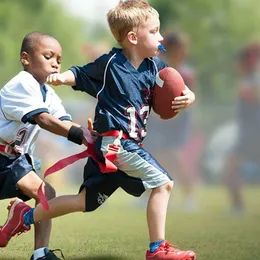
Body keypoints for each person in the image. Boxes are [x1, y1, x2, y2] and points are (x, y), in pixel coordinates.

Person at [0, 2, 196, 260]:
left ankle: (23, 218)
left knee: (84, 202)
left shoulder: (155, 67)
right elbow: (80, 74)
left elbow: (179, 88)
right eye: (155, 31)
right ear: (133, 37)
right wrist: (63, 78)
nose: (160, 38)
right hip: (117, 145)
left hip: (118, 149)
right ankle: (157, 249)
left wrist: (188, 97)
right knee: (164, 183)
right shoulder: (111, 64)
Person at [0, 32, 92, 260]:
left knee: (46, 194)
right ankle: (17, 218)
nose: (55, 63)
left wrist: (90, 134)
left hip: (13, 159)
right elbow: (43, 119)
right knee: (45, 193)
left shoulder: (47, 93)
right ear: (25, 58)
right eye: (48, 56)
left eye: (59, 60)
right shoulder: (22, 83)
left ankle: (40, 253)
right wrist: (80, 135)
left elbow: (63, 120)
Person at [144, 31, 199, 212]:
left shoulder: (186, 73)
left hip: (179, 120)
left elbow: (190, 99)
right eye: (180, 48)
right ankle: (151, 195)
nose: (183, 51)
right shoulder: (160, 70)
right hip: (159, 119)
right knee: (156, 157)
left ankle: (190, 196)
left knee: (175, 157)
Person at [223, 42, 260, 214]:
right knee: (230, 170)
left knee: (229, 170)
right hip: (248, 134)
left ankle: (238, 207)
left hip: (252, 135)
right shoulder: (249, 81)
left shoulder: (252, 82)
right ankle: (238, 206)